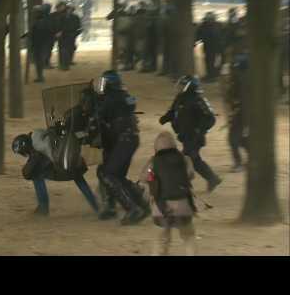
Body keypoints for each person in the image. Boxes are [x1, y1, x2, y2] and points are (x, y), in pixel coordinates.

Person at [92, 70, 149, 225]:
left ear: (110, 84)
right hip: (127, 139)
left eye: (105, 82)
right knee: (113, 174)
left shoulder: (112, 98)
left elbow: (99, 115)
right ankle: (141, 205)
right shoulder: (122, 96)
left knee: (109, 174)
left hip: (124, 140)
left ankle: (132, 209)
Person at [159, 75, 222, 192]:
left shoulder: (198, 99)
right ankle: (212, 178)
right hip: (185, 135)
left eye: (183, 85)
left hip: (195, 137)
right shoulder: (180, 98)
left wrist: (199, 130)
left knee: (185, 159)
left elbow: (210, 118)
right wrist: (166, 118)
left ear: (190, 86)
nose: (180, 87)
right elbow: (173, 111)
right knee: (195, 161)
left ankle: (180, 186)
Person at [139, 132, 197, 256]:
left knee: (160, 241)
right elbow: (191, 175)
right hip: (183, 206)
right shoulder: (185, 159)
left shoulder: (153, 161)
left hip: (161, 208)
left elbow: (143, 178)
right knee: (188, 238)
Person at [12, 133, 99, 216]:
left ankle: (43, 208)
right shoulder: (42, 138)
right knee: (78, 177)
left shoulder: (37, 151)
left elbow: (27, 173)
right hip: (77, 163)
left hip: (65, 167)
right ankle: (96, 206)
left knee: (36, 176)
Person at [221, 17, 250, 172]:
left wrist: (236, 108)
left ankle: (239, 163)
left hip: (242, 108)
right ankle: (252, 158)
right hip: (239, 107)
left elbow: (241, 92)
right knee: (240, 138)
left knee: (234, 138)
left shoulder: (242, 72)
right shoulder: (236, 68)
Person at [196, 12, 223, 83]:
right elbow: (199, 35)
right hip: (210, 46)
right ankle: (211, 76)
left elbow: (200, 35)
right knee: (209, 61)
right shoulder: (215, 25)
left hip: (212, 46)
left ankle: (212, 76)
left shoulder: (212, 26)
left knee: (211, 61)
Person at [29, 6, 51, 83]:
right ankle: (40, 76)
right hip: (41, 44)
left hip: (39, 44)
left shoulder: (40, 22)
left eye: (35, 13)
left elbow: (37, 34)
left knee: (39, 61)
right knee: (39, 61)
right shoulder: (42, 21)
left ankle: (40, 77)